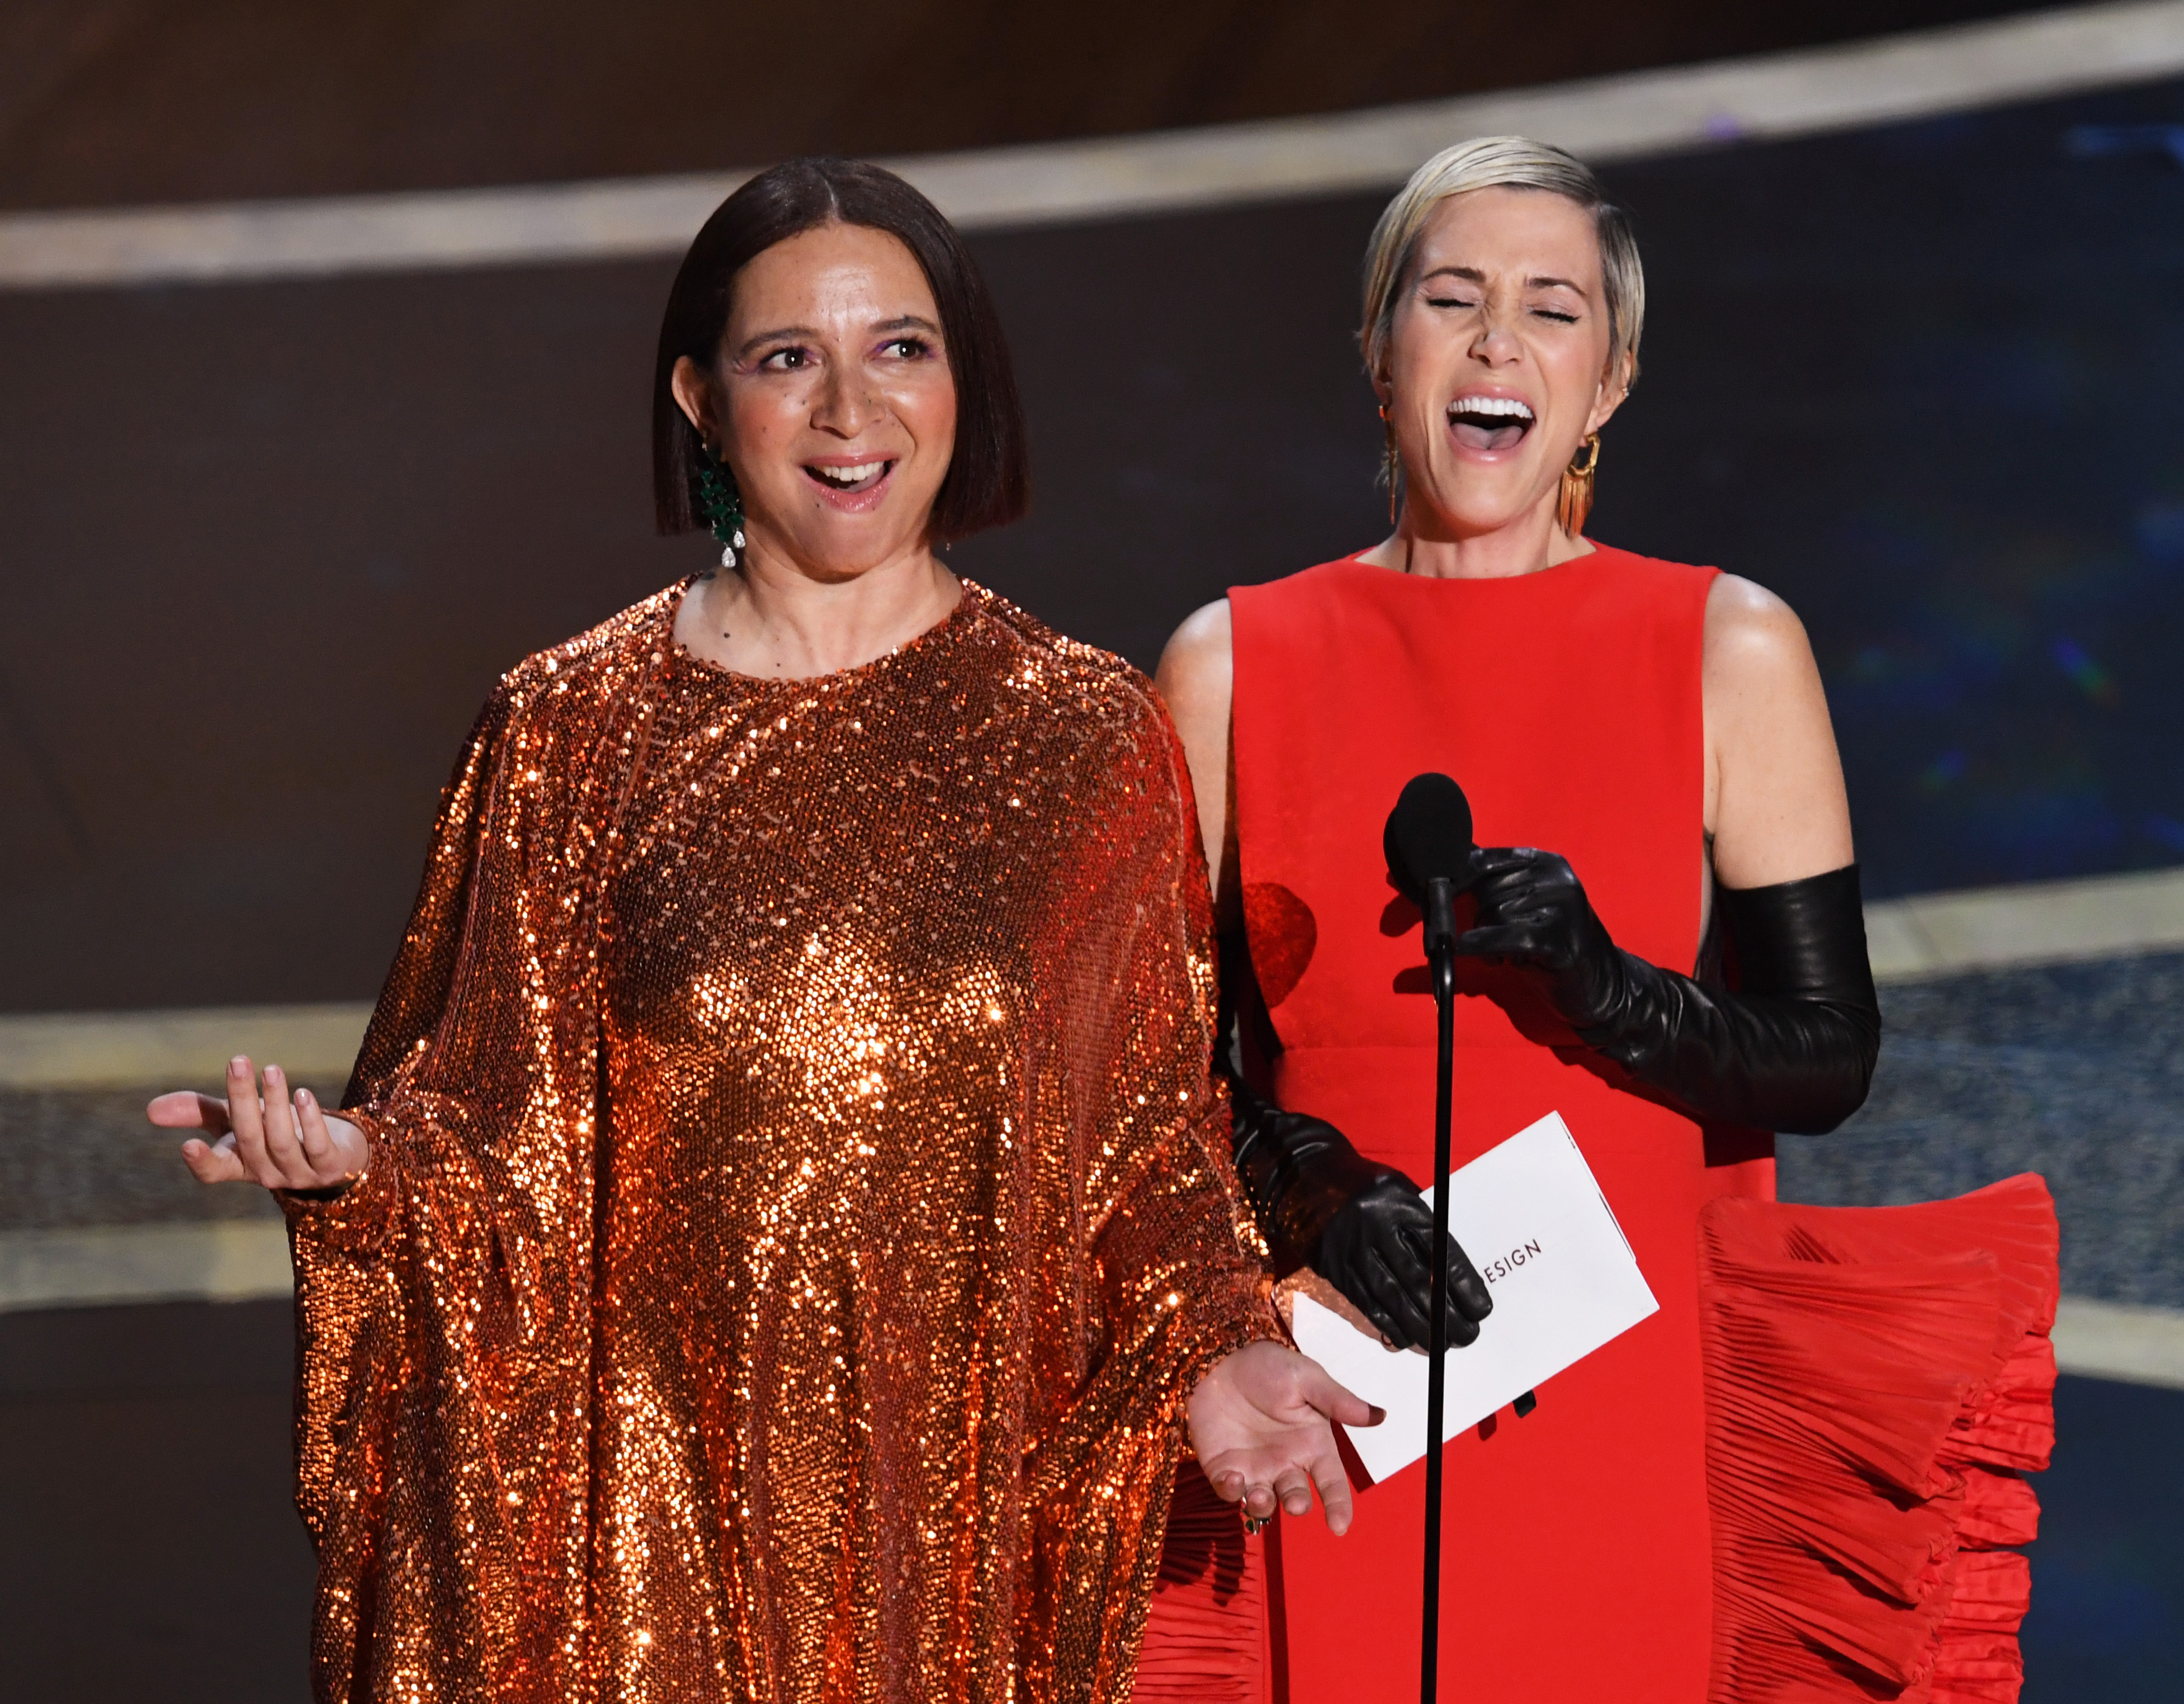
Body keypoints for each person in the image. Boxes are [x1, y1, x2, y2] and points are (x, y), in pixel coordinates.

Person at [150, 158, 1379, 1704]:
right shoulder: (570, 726)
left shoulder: (1084, 735)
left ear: (964, 381)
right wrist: (363, 1173)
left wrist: (1216, 1341)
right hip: (637, 1566)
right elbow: (492, 1151)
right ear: (697, 397)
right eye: (787, 357)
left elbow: (1142, 1146)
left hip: (953, 1554)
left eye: (901, 348)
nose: (850, 409)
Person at [1155, 137, 2056, 1702]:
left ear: (1612, 380)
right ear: (1382, 354)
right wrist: (1311, 1190)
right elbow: (1146, 1081)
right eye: (1453, 298)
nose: (1499, 341)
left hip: (1627, 1398)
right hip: (1340, 1391)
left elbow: (1821, 1057)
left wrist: (1601, 987)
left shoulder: (1726, 645)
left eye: (1551, 310)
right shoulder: (1229, 665)